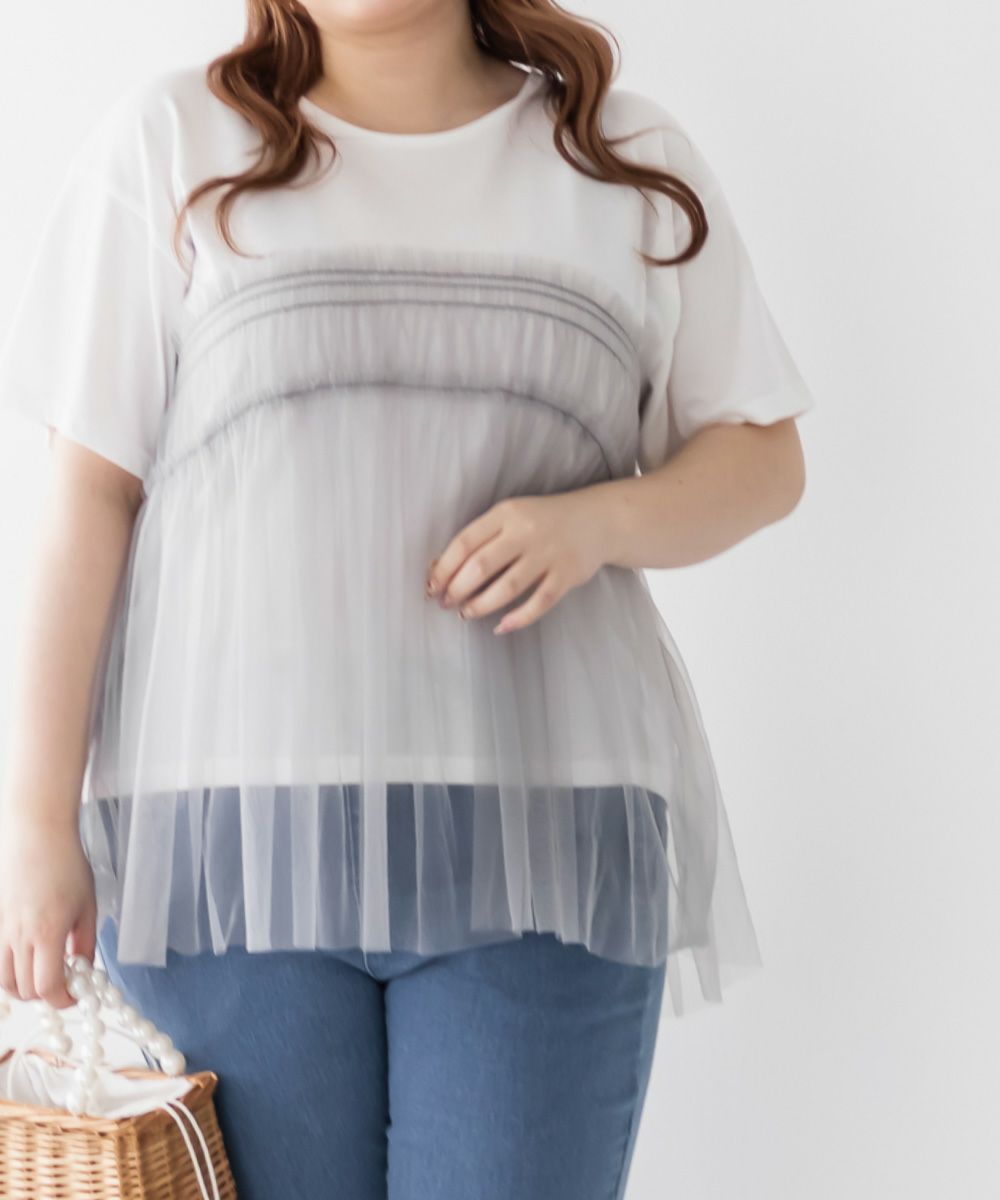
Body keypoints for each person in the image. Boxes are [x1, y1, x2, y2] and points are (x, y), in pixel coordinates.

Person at [0, 1, 815, 1196]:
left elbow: (761, 457)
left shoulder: (619, 159)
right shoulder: (170, 143)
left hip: (548, 837)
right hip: (229, 854)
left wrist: (594, 522)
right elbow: (90, 494)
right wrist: (35, 824)